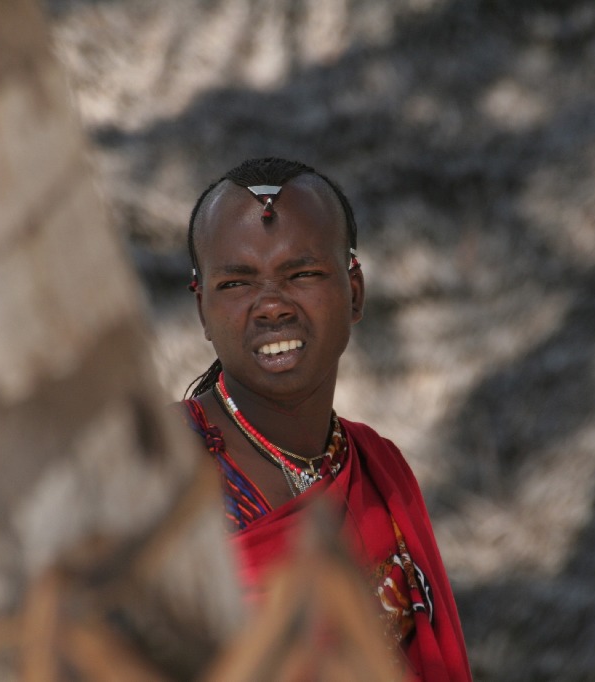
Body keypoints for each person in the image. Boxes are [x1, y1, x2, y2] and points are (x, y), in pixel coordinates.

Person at [179, 157, 472, 681]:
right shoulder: (163, 474)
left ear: (353, 292)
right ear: (202, 309)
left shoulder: (380, 467)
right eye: (236, 284)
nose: (271, 306)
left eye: (302, 274)